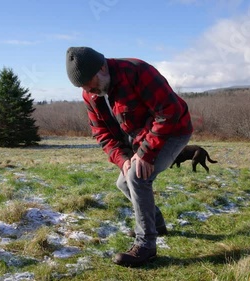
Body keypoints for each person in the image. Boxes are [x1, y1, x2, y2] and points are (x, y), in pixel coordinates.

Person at [65, 46, 193, 267]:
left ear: (103, 67)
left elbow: (168, 111)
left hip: (173, 130)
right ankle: (157, 224)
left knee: (137, 177)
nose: (88, 90)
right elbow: (102, 133)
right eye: (83, 86)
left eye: (90, 82)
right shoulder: (91, 94)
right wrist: (123, 159)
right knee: (123, 183)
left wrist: (144, 154)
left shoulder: (137, 71)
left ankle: (146, 245)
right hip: (139, 139)